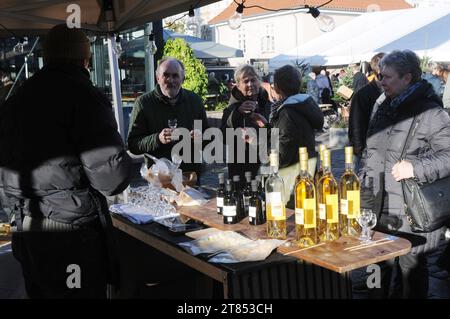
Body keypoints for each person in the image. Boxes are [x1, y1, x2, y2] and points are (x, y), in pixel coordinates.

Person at [0, 24, 132, 298]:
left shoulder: (17, 98)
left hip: (27, 229)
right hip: (71, 237)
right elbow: (112, 179)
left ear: (46, 58)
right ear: (85, 59)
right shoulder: (84, 97)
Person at [357, 50, 450, 299]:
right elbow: (370, 151)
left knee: (411, 274)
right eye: (379, 75)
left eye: (386, 77)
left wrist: (415, 168)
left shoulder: (431, 113)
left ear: (407, 78)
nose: (381, 81)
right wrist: (363, 182)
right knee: (375, 268)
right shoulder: (382, 105)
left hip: (411, 212)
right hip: (377, 205)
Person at [250, 65, 324, 205]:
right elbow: (289, 138)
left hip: (291, 183)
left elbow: (280, 156)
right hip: (303, 175)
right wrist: (267, 126)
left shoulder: (287, 113)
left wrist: (254, 141)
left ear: (277, 87)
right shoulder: (300, 106)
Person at [127, 57, 209, 178]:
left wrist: (199, 137)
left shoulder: (194, 101)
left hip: (189, 177)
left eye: (175, 76)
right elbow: (133, 145)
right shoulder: (143, 103)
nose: (170, 80)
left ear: (183, 79)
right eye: (166, 75)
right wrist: (157, 139)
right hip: (159, 179)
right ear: (158, 78)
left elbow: (208, 137)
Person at [221, 64, 271, 181]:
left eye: (253, 80)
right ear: (238, 86)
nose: (250, 84)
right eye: (245, 81)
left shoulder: (268, 106)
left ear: (259, 82)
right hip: (240, 169)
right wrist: (237, 114)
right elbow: (223, 136)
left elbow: (277, 134)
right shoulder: (231, 109)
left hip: (266, 165)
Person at [348, 53, 385, 159]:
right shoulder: (362, 95)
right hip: (368, 152)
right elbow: (356, 126)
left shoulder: (393, 92)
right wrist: (360, 152)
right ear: (379, 72)